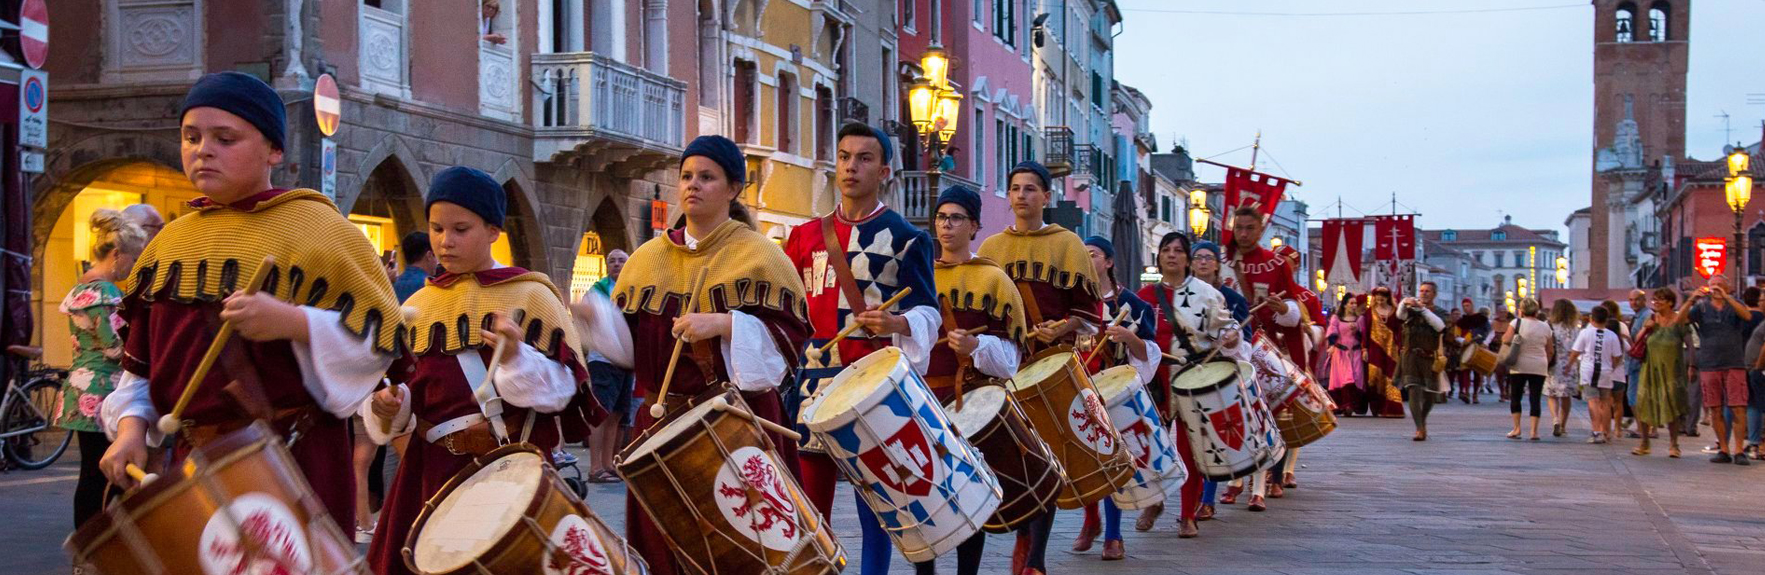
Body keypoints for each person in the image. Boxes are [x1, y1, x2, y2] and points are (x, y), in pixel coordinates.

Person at [97, 73, 403, 535]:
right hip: (191, 468)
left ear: (274, 150)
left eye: (226, 138)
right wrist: (130, 430)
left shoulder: (322, 230)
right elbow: (142, 371)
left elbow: (377, 346)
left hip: (292, 463)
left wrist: (296, 322)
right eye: (191, 137)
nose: (204, 150)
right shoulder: (170, 244)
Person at [574, 135, 811, 575]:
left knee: (745, 550)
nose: (692, 186)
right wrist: (595, 319)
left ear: (733, 188)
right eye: (686, 176)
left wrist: (725, 325)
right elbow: (631, 351)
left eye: (707, 177)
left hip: (738, 422)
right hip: (663, 426)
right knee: (667, 548)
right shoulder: (647, 259)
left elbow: (786, 349)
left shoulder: (761, 257)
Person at [361, 167, 598, 575]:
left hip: (511, 473)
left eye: (460, 228)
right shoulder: (419, 304)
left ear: (493, 230)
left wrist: (515, 359)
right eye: (436, 228)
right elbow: (408, 400)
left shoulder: (532, 294)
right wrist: (388, 408)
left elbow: (562, 392)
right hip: (431, 474)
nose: (445, 241)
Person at [785, 123, 941, 575]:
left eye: (865, 158)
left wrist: (896, 321)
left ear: (885, 171)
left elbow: (929, 314)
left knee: (877, 507)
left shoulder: (908, 237)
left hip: (872, 390)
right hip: (813, 385)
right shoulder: (803, 237)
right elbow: (788, 310)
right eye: (845, 156)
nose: (852, 166)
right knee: (812, 510)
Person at [978, 160, 1102, 575]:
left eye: (1031, 189)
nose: (1021, 196)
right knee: (1018, 458)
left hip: (1052, 366)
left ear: (1046, 197)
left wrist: (1063, 327)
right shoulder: (992, 250)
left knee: (1048, 459)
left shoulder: (1067, 244)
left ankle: (1035, 558)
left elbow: (1089, 311)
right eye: (1015, 188)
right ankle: (1024, 540)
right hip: (1007, 368)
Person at [916, 185, 1026, 575]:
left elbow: (1011, 360)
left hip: (969, 403)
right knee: (923, 494)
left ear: (975, 225)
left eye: (957, 217)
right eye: (942, 217)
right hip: (922, 398)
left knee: (968, 496)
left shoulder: (994, 280)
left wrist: (977, 343)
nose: (947, 225)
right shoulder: (921, 275)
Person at [1136, 231, 1245, 539]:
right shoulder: (1144, 295)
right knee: (1152, 447)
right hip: (1155, 380)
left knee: (1189, 447)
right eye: (1166, 250)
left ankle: (1187, 514)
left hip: (1192, 378)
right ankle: (1155, 500)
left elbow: (1227, 326)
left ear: (1187, 258)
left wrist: (1231, 336)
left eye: (1178, 250)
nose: (1172, 255)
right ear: (1158, 257)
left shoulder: (1206, 293)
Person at [1073, 236, 1160, 561]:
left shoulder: (1132, 304)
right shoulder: (1074, 302)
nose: (1086, 259)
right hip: (1079, 391)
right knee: (1084, 461)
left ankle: (1113, 534)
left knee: (1112, 462)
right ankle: (1090, 520)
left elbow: (1150, 354)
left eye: (1092, 254)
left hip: (1114, 394)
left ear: (1108, 261)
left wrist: (1129, 338)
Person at [61, 210, 146, 529]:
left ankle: (87, 545)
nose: (133, 266)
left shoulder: (79, 288)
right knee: (103, 475)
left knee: (90, 473)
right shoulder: (107, 292)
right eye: (133, 258)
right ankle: (95, 544)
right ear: (115, 254)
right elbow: (115, 348)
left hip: (81, 387)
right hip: (102, 392)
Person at [1184, 239, 1252, 521]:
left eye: (1207, 257)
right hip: (1187, 371)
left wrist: (1232, 339)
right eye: (1197, 257)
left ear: (1216, 263)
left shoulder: (1232, 299)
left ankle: (1208, 499)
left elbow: (1245, 341)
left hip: (1217, 373)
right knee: (1189, 439)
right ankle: (1195, 495)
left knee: (1210, 436)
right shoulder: (1181, 294)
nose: (1202, 262)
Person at [1686, 275, 1754, 465]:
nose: (1715, 289)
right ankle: (1723, 448)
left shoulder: (1735, 303)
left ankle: (1739, 449)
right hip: (1709, 363)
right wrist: (1692, 299)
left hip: (1733, 362)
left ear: (1728, 287)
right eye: (1712, 285)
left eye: (1719, 285)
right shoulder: (1701, 307)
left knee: (1738, 406)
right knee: (1715, 407)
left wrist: (1727, 297)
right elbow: (1680, 320)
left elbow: (1747, 316)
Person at [581, 247, 631, 483]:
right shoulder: (597, 290)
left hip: (625, 362)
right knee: (601, 413)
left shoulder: (633, 289)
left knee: (617, 415)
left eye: (622, 260)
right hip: (603, 360)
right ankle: (595, 468)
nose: (617, 264)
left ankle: (608, 463)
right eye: (612, 261)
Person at [1635, 287, 1690, 458]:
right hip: (1650, 368)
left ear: (1670, 303)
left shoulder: (1679, 320)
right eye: (1655, 300)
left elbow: (1689, 343)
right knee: (1644, 404)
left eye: (1660, 300)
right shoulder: (1651, 319)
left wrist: (1692, 366)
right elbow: (1637, 341)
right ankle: (1644, 443)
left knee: (1671, 405)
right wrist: (1646, 329)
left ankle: (1674, 445)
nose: (1656, 302)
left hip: (1672, 370)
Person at [1395, 282, 1448, 441]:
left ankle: (1423, 421)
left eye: (1428, 291)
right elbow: (1399, 315)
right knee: (1413, 390)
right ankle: (1419, 428)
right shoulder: (1410, 311)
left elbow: (1439, 326)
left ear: (1434, 294)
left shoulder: (1439, 312)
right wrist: (1404, 302)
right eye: (1422, 290)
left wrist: (1422, 309)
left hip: (1429, 357)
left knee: (1430, 394)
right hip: (1411, 355)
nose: (1424, 294)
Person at [1570, 305, 1625, 444]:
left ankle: (1596, 431)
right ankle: (1606, 432)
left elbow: (1576, 351)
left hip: (1589, 370)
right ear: (1606, 319)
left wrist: (1569, 366)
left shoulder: (1585, 333)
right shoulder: (1612, 335)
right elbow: (1617, 355)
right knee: (1605, 402)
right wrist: (1612, 366)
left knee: (1593, 401)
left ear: (1591, 318)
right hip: (1606, 371)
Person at [1502, 298, 1552, 441]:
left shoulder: (1516, 323)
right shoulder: (1545, 326)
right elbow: (1550, 350)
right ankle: (1534, 431)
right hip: (1539, 365)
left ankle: (1517, 429)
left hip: (1519, 364)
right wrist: (1545, 362)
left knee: (1516, 396)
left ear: (1521, 310)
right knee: (1535, 397)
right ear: (1537, 311)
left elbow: (1505, 339)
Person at [1364, 288, 1408, 419]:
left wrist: (1401, 346)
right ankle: (1377, 406)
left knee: (1390, 377)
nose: (1380, 298)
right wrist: (1364, 349)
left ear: (1388, 297)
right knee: (1374, 377)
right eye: (1377, 296)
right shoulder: (1369, 312)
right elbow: (1365, 331)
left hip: (1391, 349)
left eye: (1383, 296)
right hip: (1374, 348)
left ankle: (1392, 408)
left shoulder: (1394, 312)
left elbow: (1399, 331)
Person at [1324, 292, 1369, 416]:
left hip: (1355, 352)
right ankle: (1344, 405)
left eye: (1355, 303)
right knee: (1344, 379)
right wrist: (1332, 345)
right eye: (1351, 303)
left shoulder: (1360, 319)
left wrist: (1357, 331)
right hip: (1341, 353)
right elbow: (1332, 332)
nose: (1354, 305)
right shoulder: (1336, 318)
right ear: (1345, 305)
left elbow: (1363, 337)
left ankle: (1353, 405)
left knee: (1355, 378)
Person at [1544, 299, 1582, 437]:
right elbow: (1577, 349)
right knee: (1566, 397)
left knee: (1552, 395)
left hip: (1553, 364)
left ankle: (1555, 419)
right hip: (1569, 365)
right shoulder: (1574, 329)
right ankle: (1563, 425)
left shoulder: (1548, 326)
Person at [1624, 289, 1654, 436]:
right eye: (1630, 300)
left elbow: (1642, 340)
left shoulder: (1647, 316)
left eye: (1636, 299)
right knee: (1636, 396)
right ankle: (1643, 427)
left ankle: (1644, 429)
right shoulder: (1637, 316)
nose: (1633, 302)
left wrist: (1626, 338)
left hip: (1641, 362)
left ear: (1644, 300)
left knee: (1635, 396)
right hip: (1634, 361)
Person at [1451, 298, 1488, 403]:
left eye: (1467, 305)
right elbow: (1456, 335)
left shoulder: (1482, 319)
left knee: (1477, 372)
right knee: (1465, 371)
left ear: (1472, 305)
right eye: (1464, 306)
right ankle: (1466, 392)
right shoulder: (1461, 322)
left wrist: (1485, 342)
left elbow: (1490, 331)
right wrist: (1463, 341)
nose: (1466, 308)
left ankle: (1475, 394)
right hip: (1466, 347)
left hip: (1478, 347)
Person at [393, 231, 437, 303]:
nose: (437, 262)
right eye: (435, 255)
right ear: (429, 255)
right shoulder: (430, 286)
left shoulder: (394, 285)